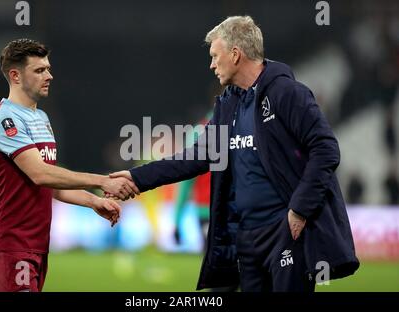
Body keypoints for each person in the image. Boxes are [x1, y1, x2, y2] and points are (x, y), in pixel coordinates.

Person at [108, 16, 359, 291]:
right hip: (246, 238)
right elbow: (196, 156)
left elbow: (326, 149)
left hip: (285, 234)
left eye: (215, 56)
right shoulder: (227, 106)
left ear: (236, 54)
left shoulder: (288, 93)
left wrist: (299, 209)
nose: (211, 64)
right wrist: (136, 177)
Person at [0, 39, 138, 292]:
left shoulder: (41, 118)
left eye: (48, 69)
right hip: (11, 241)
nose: (49, 76)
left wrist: (93, 201)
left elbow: (50, 184)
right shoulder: (4, 119)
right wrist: (103, 181)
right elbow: (40, 174)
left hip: (37, 242)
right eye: (39, 70)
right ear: (15, 75)